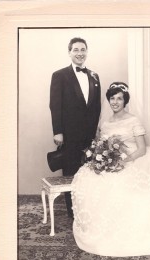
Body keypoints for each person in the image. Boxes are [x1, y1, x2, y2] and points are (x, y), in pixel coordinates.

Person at [71, 82, 150, 257]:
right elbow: (103, 144)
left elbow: (142, 149)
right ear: (108, 100)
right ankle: (102, 229)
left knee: (128, 190)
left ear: (125, 101)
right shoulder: (106, 123)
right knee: (90, 182)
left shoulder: (133, 120)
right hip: (111, 160)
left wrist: (124, 162)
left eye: (119, 98)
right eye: (112, 98)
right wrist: (104, 159)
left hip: (134, 159)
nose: (115, 102)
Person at [50, 37, 101, 218]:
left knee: (88, 171)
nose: (80, 53)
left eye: (83, 50)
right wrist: (58, 131)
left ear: (87, 52)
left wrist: (95, 133)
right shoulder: (59, 75)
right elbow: (55, 105)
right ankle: (73, 212)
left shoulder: (94, 76)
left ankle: (86, 208)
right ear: (70, 53)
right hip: (69, 134)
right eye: (76, 50)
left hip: (89, 135)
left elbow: (96, 108)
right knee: (70, 170)